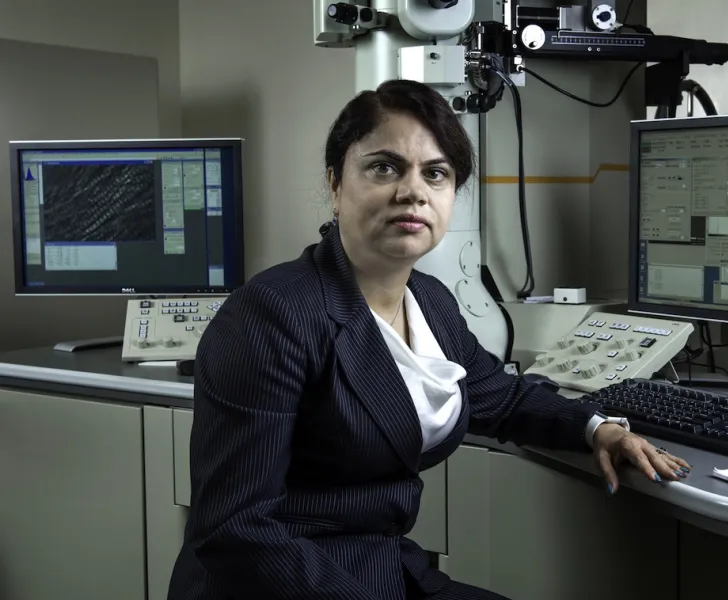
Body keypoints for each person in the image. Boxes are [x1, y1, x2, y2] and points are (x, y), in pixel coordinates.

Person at [167, 79, 691, 600]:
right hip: (282, 583)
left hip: (379, 565)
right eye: (384, 167)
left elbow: (500, 397)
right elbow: (234, 530)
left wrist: (598, 429)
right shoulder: (271, 314)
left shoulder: (430, 302)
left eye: (435, 174)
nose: (412, 191)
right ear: (335, 184)